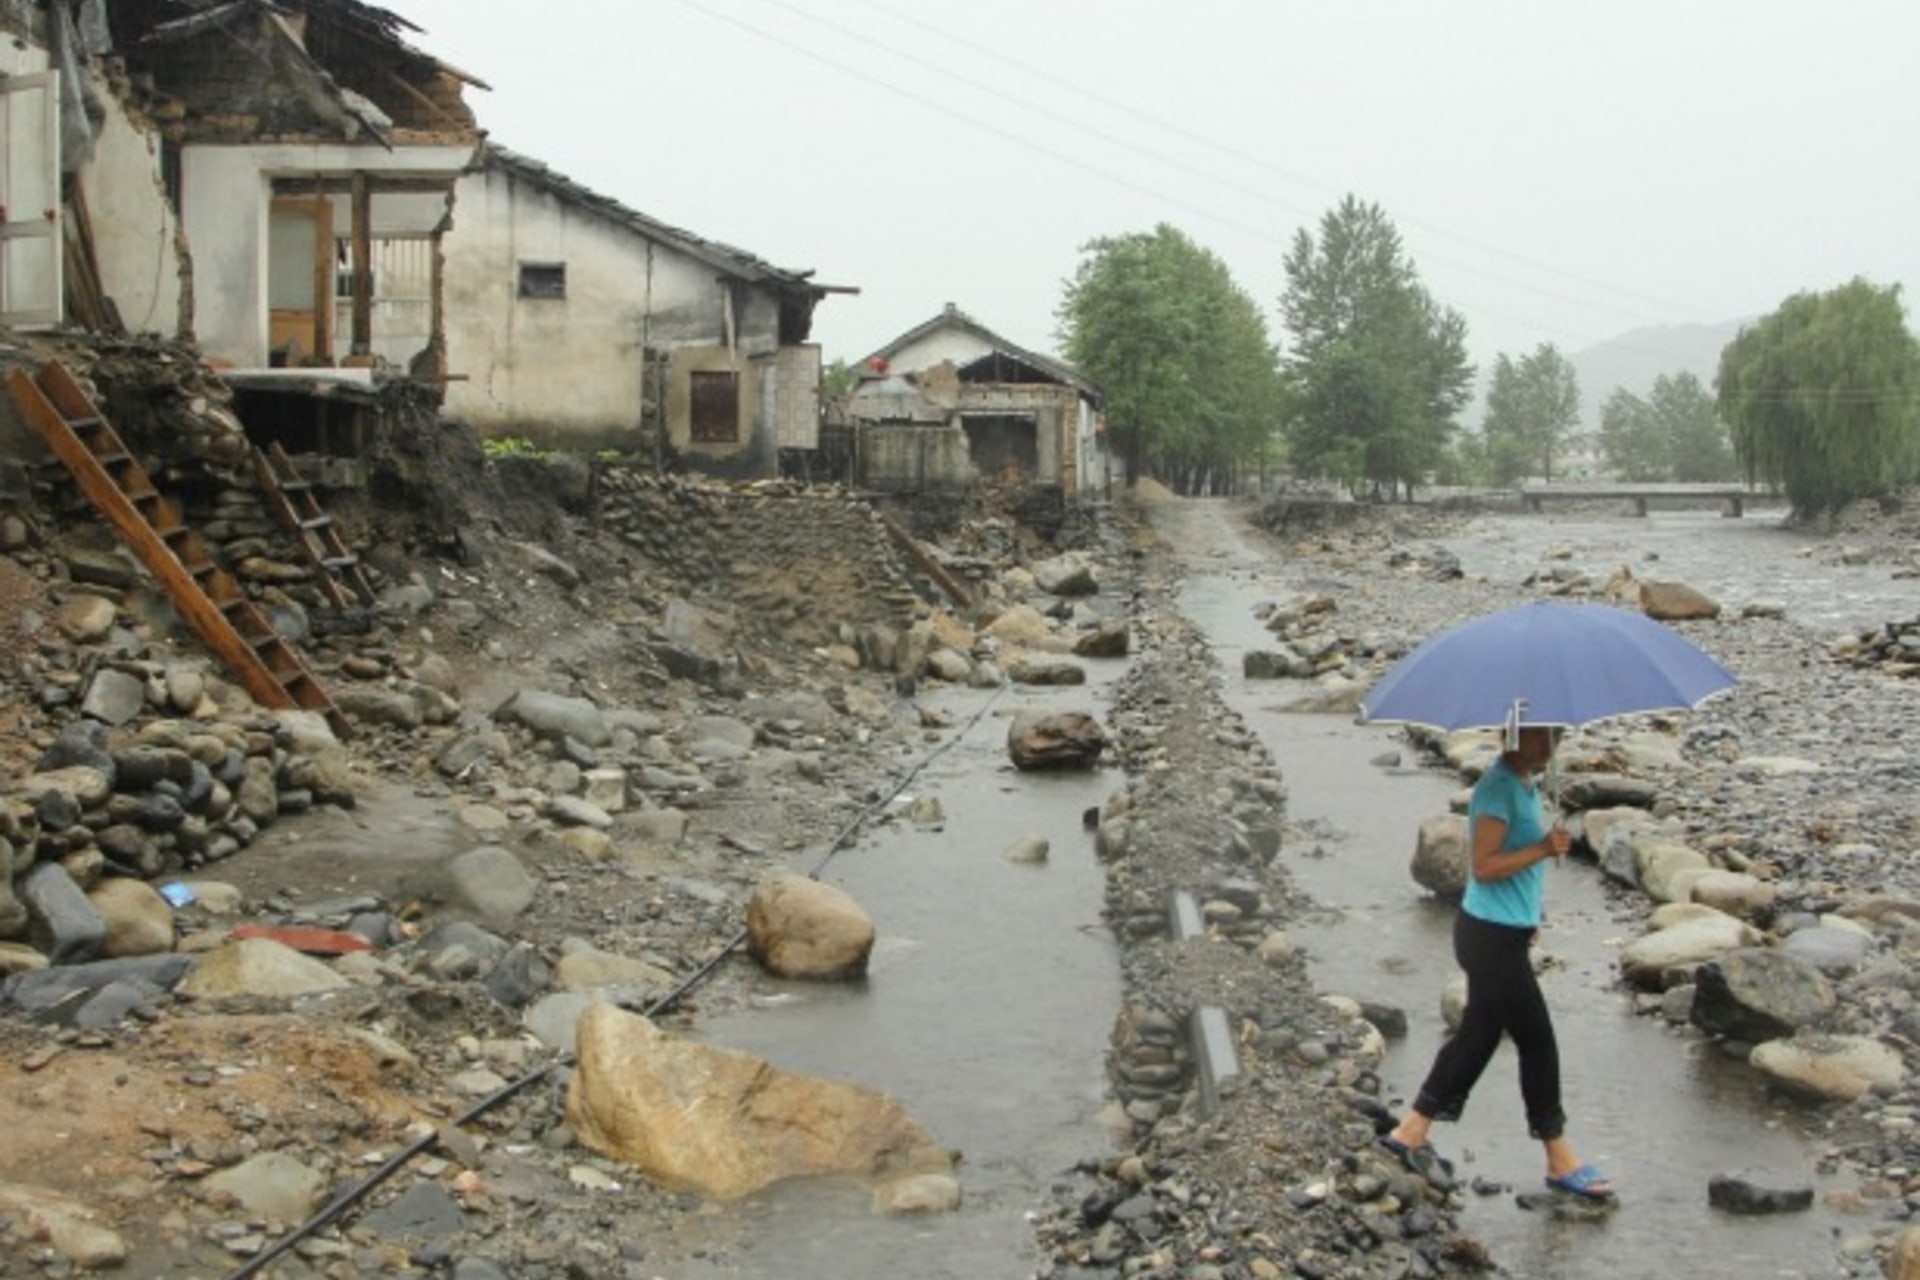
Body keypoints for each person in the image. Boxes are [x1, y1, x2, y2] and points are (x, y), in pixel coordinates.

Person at [1378, 723, 1615, 1201]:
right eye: (1540, 735)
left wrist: (1530, 915)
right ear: (1513, 733)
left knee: (1478, 1036)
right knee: (1538, 1042)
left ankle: (1411, 1130)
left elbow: (1516, 871)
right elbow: (1485, 868)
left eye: (1556, 735)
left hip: (1504, 931)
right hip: (1488, 937)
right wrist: (1542, 849)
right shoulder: (1497, 788)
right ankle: (1559, 1158)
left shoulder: (1525, 784)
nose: (1550, 744)